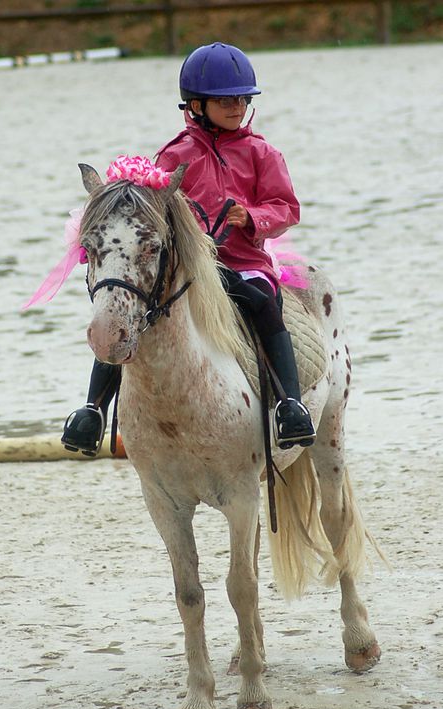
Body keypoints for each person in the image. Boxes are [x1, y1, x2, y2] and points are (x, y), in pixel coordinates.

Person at [61, 42, 315, 456]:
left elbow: (287, 208)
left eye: (242, 99)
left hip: (243, 261)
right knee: (128, 309)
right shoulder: (175, 155)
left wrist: (252, 218)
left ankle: (290, 404)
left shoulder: (263, 153)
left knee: (264, 302)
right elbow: (151, 214)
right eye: (225, 100)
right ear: (196, 105)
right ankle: (92, 410)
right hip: (188, 266)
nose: (237, 107)